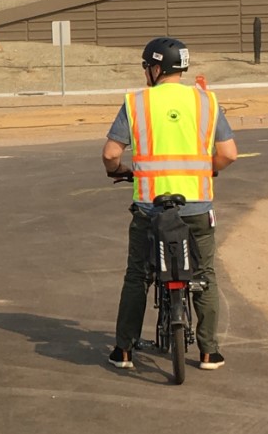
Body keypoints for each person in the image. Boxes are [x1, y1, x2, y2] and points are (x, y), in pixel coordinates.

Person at [103, 37, 237, 370]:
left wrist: (119, 171)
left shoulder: (137, 103)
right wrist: (209, 169)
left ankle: (124, 351)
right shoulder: (207, 102)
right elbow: (228, 154)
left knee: (138, 276)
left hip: (151, 209)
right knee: (205, 274)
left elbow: (110, 154)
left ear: (157, 67)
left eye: (147, 66)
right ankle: (209, 352)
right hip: (196, 208)